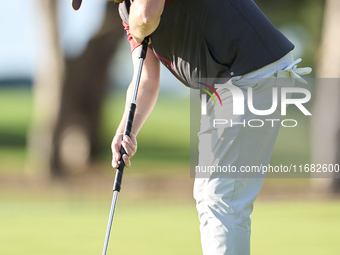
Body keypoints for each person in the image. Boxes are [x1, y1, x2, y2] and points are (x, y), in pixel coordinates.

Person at [109, 0, 311, 254]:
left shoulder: (138, 12)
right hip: (228, 85)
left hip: (251, 73)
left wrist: (137, 29)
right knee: (208, 196)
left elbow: (147, 17)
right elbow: (146, 78)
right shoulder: (127, 9)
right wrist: (126, 131)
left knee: (221, 198)